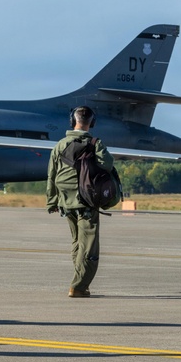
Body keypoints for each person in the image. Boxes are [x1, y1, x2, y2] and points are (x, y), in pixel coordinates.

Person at [45, 106, 115, 298]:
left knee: (77, 242)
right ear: (91, 123)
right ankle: (79, 285)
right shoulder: (95, 143)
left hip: (66, 203)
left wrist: (51, 201)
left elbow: (51, 175)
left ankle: (79, 279)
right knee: (90, 246)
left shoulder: (60, 145)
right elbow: (108, 164)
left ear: (72, 121)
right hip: (87, 201)